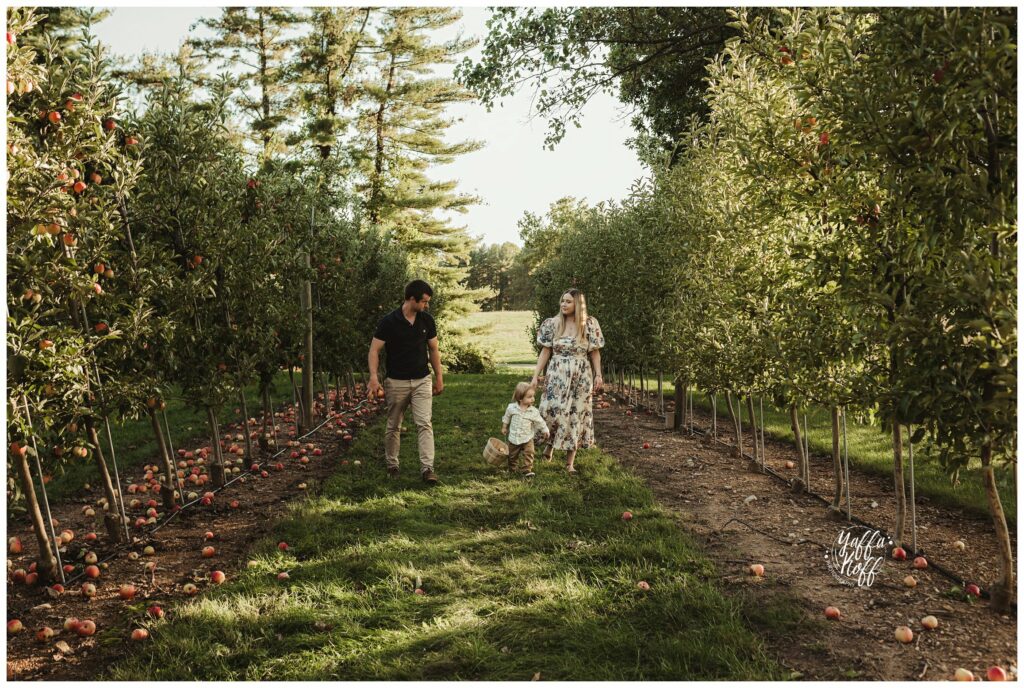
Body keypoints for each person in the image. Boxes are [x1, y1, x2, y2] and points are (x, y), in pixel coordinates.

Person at [368, 280, 444, 484]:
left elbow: (434, 350)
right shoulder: (389, 322)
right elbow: (374, 350)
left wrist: (439, 377)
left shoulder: (427, 320)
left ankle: (427, 469)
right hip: (396, 382)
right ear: (412, 299)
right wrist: (374, 378)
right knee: (394, 425)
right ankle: (392, 465)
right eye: (424, 302)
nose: (426, 305)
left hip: (422, 380)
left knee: (424, 423)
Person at [531, 289, 605, 474]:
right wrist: (535, 375)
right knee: (553, 410)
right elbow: (546, 351)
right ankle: (549, 445)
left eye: (568, 302)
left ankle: (569, 463)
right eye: (562, 301)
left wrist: (598, 375)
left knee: (576, 415)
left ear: (578, 305)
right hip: (557, 374)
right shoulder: (553, 323)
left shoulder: (589, 324)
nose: (563, 304)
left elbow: (594, 352)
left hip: (581, 375)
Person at [501, 381, 550, 478]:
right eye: (529, 397)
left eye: (533, 396)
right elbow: (506, 417)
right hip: (514, 438)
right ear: (520, 398)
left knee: (529, 453)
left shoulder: (533, 411)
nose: (533, 399)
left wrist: (545, 430)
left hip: (527, 438)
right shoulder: (512, 408)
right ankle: (512, 469)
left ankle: (526, 470)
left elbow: (540, 421)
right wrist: (504, 427)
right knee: (512, 455)